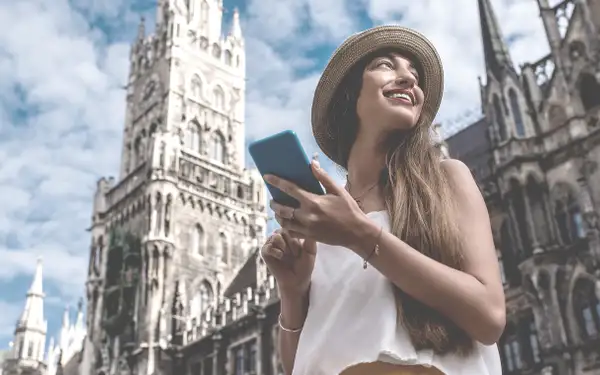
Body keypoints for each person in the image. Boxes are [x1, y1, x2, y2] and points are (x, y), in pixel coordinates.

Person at [260, 25, 505, 375]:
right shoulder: (323, 223)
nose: (408, 77)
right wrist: (292, 290)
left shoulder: (447, 179)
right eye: (386, 65)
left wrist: (361, 236)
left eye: (415, 75)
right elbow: (303, 364)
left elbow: (490, 317)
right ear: (350, 95)